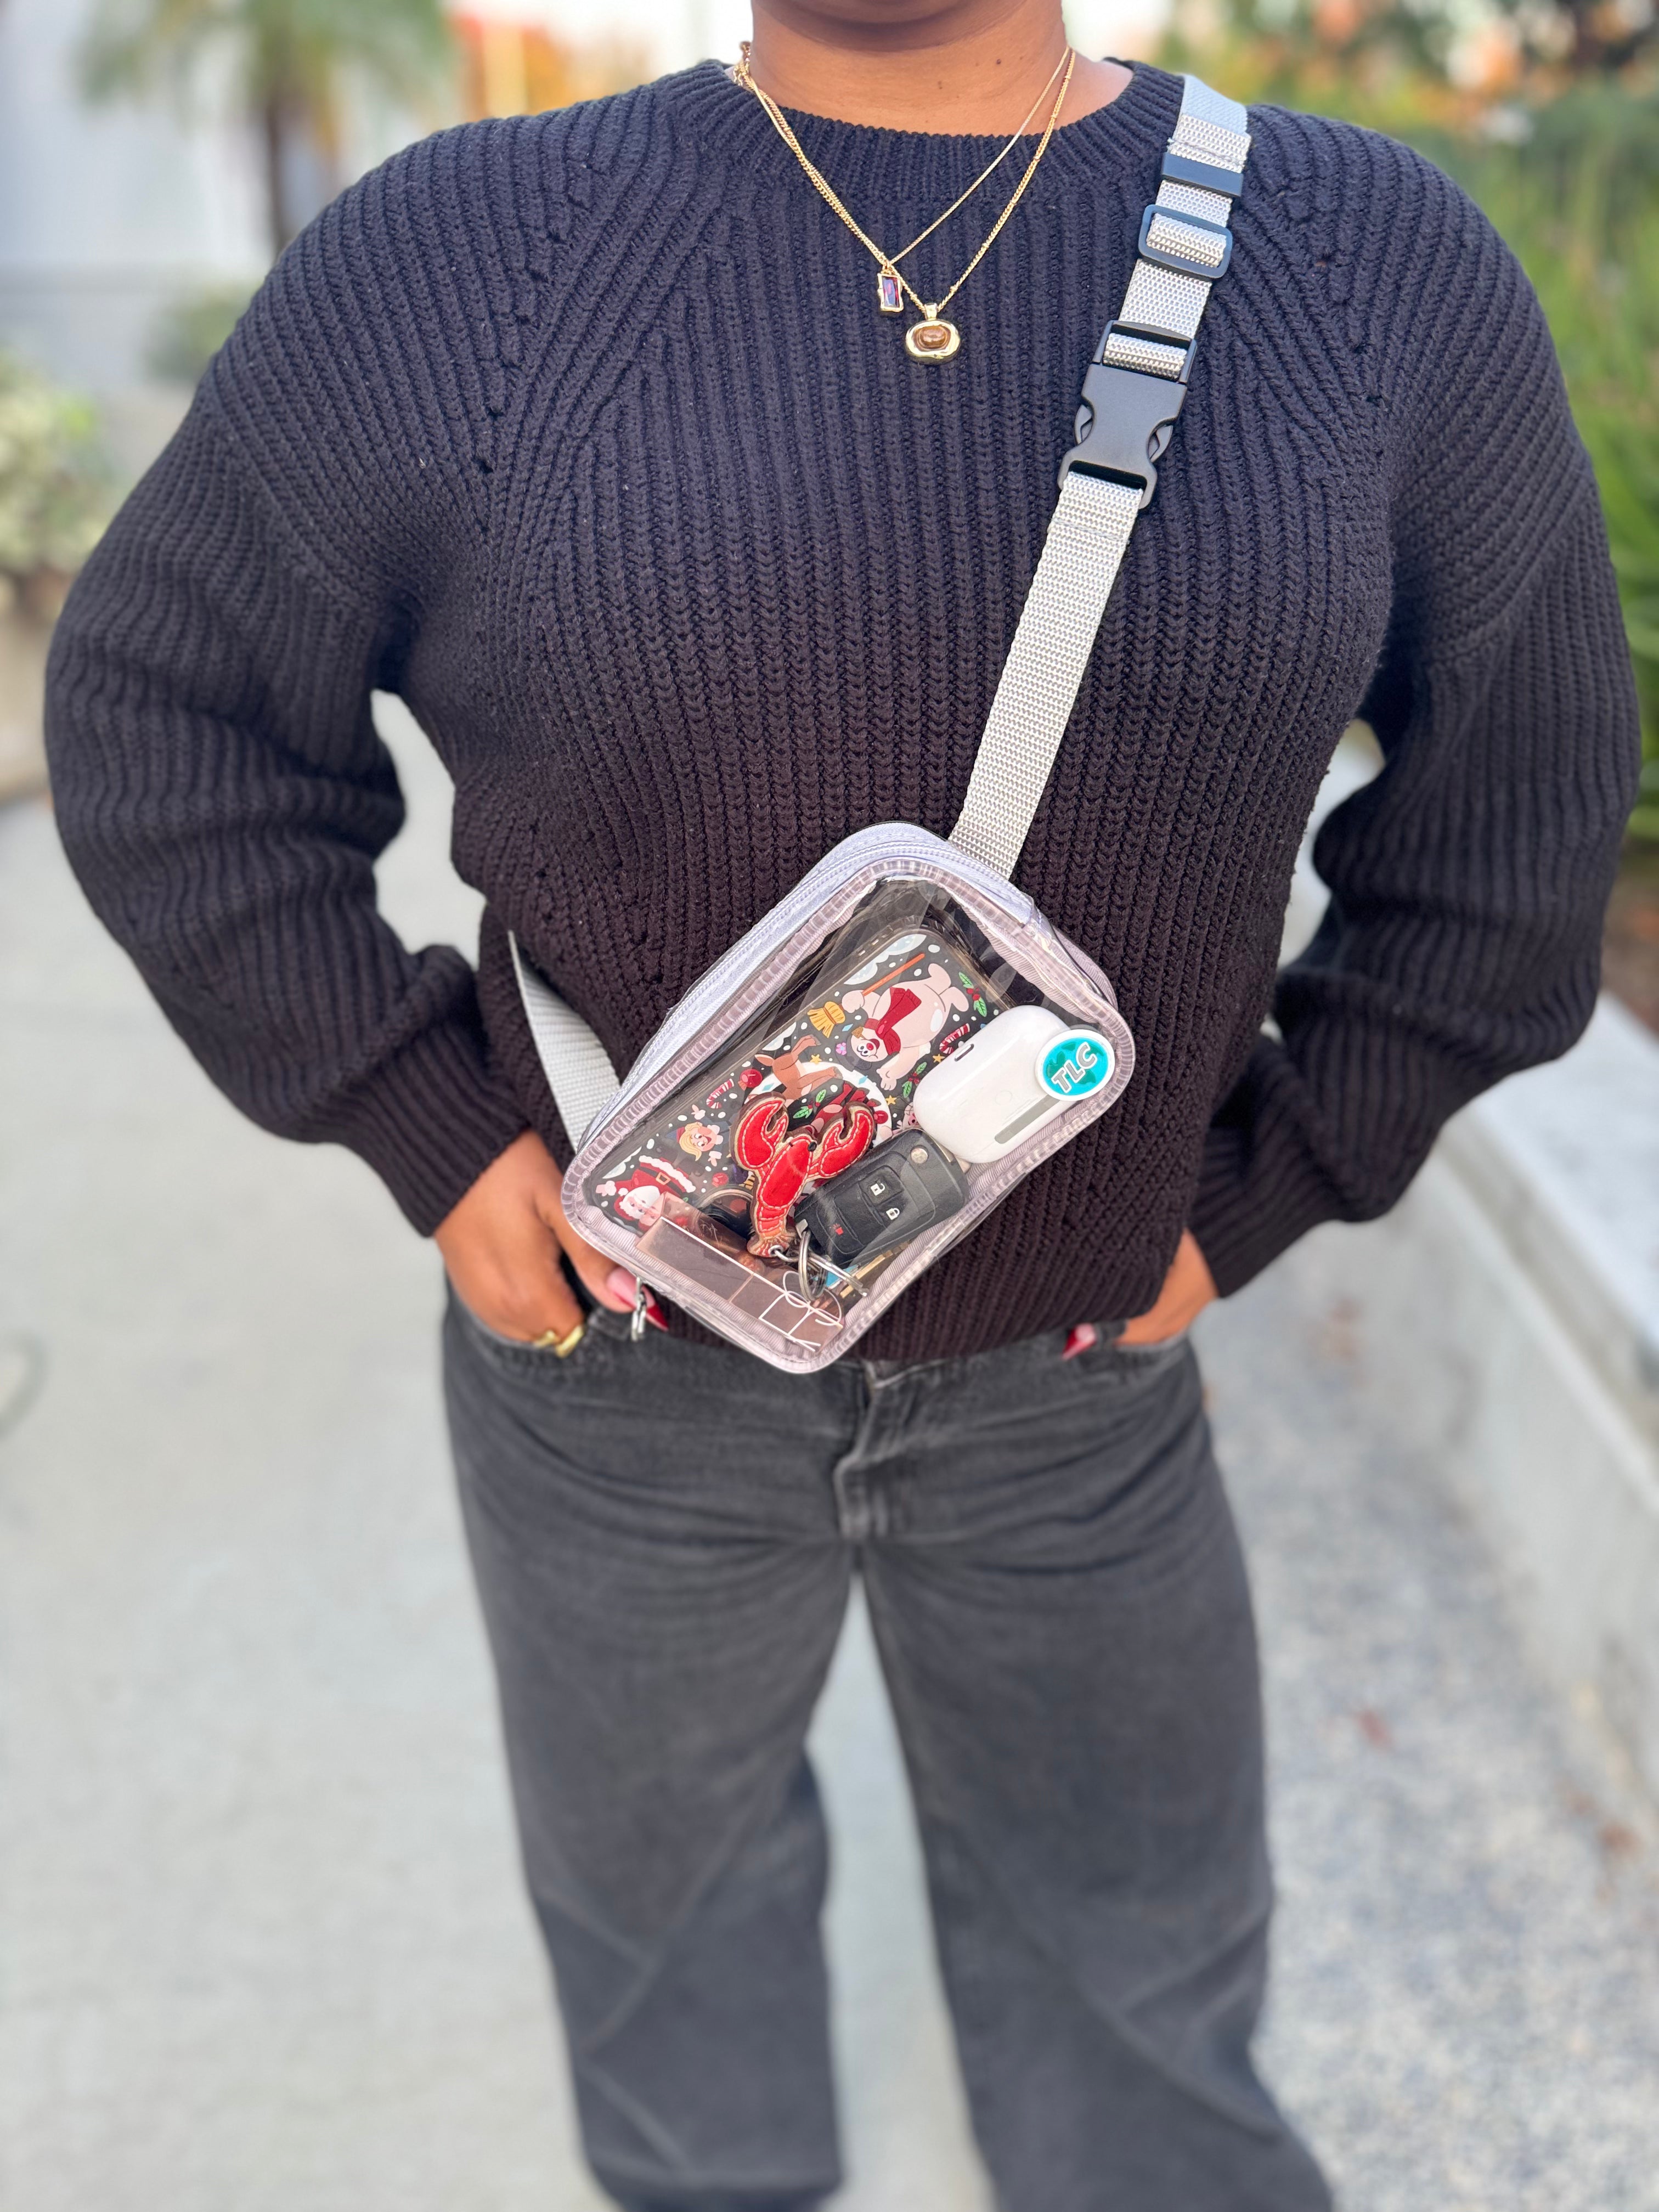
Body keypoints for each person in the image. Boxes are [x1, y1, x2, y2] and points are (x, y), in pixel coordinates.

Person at [46, 0, 1639, 2204]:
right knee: (666, 1956)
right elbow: (164, 712)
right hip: (614, 1362)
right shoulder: (465, 255)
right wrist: (426, 1127)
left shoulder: (1361, 263)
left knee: (1143, 1990)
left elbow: (1520, 817)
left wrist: (1264, 1189)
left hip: (1082, 1378)